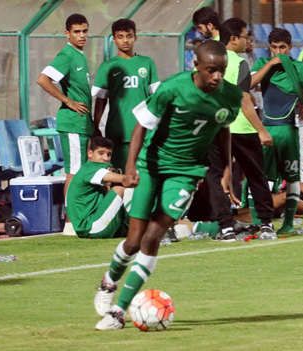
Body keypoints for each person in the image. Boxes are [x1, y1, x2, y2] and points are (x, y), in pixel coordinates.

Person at [94, 40, 242, 330]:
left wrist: (226, 168)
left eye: (221, 71)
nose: (217, 77)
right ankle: (109, 280)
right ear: (196, 65)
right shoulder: (172, 89)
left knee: (154, 235)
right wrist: (130, 167)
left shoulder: (231, 95)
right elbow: (141, 127)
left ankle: (119, 312)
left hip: (186, 172)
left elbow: (224, 128)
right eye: (211, 70)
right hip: (152, 165)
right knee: (134, 239)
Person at [205, 17, 275, 242]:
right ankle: (266, 223)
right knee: (256, 175)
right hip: (240, 128)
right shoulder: (238, 62)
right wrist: (261, 130)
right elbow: (244, 98)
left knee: (216, 177)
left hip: (215, 128)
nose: (248, 41)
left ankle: (225, 227)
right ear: (233, 39)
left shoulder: (209, 60)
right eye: (245, 36)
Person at [251, 27, 303, 234]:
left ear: (290, 47)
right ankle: (262, 221)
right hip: (268, 129)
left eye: (282, 47)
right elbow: (250, 84)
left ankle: (288, 223)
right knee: (264, 177)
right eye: (274, 48)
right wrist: (271, 63)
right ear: (270, 48)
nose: (278, 52)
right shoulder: (263, 64)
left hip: (292, 129)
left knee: (292, 177)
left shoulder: (300, 68)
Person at [36, 13, 93, 236]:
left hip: (82, 124)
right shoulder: (67, 54)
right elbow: (42, 79)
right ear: (67, 33)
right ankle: (69, 222)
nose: (82, 36)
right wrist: (67, 101)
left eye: (85, 31)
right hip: (72, 124)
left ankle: (77, 216)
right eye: (77, 31)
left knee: (79, 171)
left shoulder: (80, 55)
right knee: (74, 172)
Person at [91, 19, 160, 172]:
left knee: (143, 176)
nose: (125, 40)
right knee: (119, 176)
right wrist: (96, 126)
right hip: (117, 132)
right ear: (114, 39)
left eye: (129, 36)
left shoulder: (147, 63)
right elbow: (100, 99)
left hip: (143, 129)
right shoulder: (107, 67)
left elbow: (156, 97)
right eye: (120, 36)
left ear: (135, 37)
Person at [66, 136, 131, 239]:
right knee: (121, 188)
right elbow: (125, 180)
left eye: (108, 154)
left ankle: (141, 227)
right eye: (101, 153)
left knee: (124, 189)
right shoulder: (90, 169)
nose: (105, 158)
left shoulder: (89, 169)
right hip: (90, 227)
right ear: (90, 153)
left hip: (93, 225)